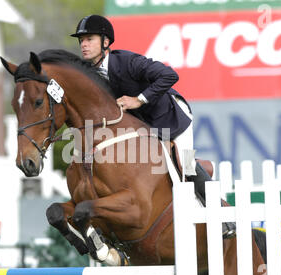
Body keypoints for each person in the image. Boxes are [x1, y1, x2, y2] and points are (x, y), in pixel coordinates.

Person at [71, 15, 235, 237]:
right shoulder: (87, 72)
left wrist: (138, 99)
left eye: (89, 39)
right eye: (81, 40)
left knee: (182, 165)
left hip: (170, 116)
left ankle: (222, 214)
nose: (83, 45)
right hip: (139, 126)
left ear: (106, 42)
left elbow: (169, 75)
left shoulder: (128, 62)